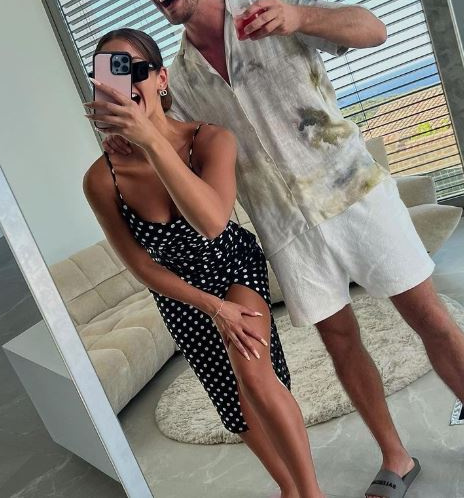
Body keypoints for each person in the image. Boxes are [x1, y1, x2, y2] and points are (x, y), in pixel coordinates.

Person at [102, 0, 464, 497]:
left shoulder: (271, 1)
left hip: (356, 193)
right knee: (340, 341)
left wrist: (299, 18)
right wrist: (126, 136)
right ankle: (395, 456)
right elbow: (177, 144)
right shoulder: (179, 78)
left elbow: (373, 29)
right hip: (284, 227)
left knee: (429, 316)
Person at [83, 28, 326, 498]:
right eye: (109, 75)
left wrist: (151, 141)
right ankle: (289, 489)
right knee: (235, 405)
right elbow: (142, 266)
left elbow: (213, 223)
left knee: (254, 373)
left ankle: (312, 494)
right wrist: (212, 308)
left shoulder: (210, 139)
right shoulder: (102, 178)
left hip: (232, 265)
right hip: (179, 294)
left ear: (161, 79)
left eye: (133, 69)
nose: (123, 83)